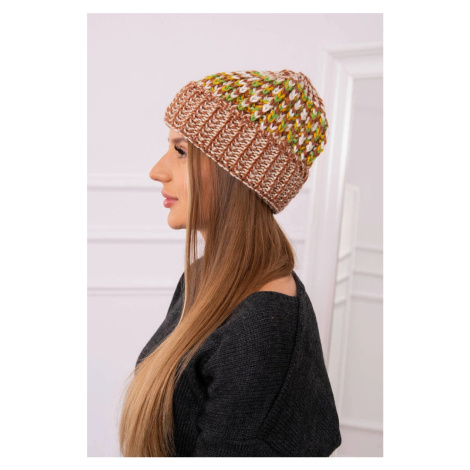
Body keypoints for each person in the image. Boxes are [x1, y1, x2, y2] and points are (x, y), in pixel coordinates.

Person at [118, 70, 341, 457]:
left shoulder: (262, 329)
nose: (157, 171)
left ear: (236, 176)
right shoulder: (205, 275)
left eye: (182, 152)